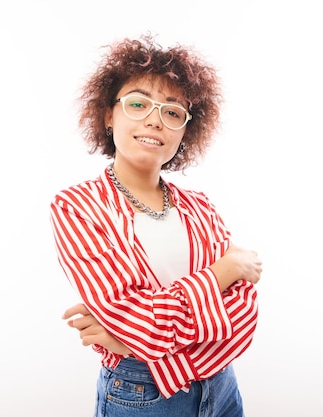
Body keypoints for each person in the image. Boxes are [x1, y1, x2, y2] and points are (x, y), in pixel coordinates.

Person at [50, 33, 262, 417]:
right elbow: (145, 320)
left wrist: (131, 338)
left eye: (172, 112)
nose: (154, 119)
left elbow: (245, 311)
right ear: (108, 115)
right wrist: (225, 271)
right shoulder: (77, 207)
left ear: (184, 131)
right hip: (143, 394)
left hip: (223, 386)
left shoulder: (201, 208)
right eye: (137, 103)